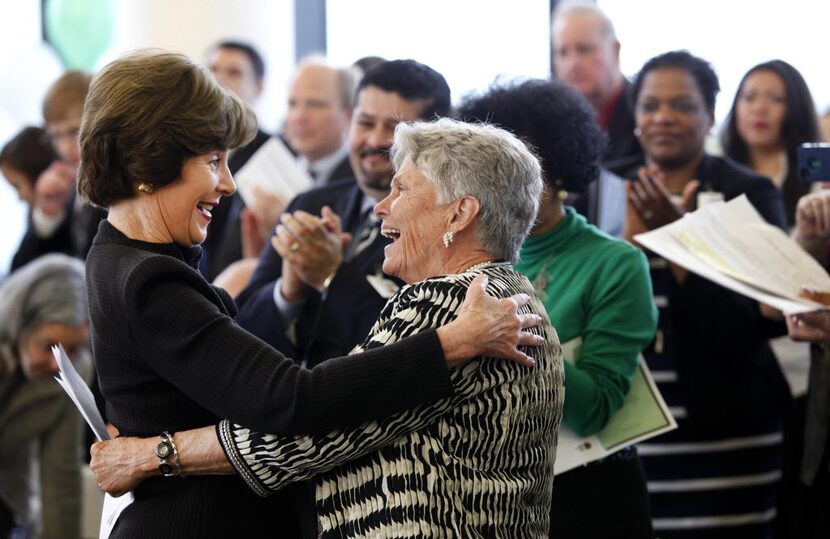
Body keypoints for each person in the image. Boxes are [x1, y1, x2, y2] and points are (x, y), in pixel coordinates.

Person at [79, 50, 543, 538]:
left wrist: (152, 455)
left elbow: (296, 420)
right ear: (152, 160)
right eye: (214, 160)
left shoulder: (116, 256)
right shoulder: (148, 277)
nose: (229, 183)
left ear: (459, 212)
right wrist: (453, 343)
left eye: (402, 190)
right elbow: (292, 402)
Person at [459, 78, 657, 537]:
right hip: (482, 493)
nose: (516, 175)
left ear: (562, 165)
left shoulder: (615, 263)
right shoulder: (460, 256)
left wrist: (509, 333)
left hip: (586, 496)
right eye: (498, 161)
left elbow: (597, 408)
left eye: (531, 159)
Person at [624, 50, 789, 538]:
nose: (663, 118)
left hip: (728, 425)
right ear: (634, 117)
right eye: (650, 105)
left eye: (683, 106)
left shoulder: (748, 192)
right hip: (630, 426)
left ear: (711, 114)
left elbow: (763, 321)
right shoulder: (608, 187)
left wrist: (679, 242)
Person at [235, 59, 452, 366]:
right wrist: (288, 291)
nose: (375, 140)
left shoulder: (441, 225)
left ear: (433, 138)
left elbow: (414, 345)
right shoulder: (309, 204)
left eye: (394, 128)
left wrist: (330, 276)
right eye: (365, 123)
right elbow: (242, 329)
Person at [0, 254, 90, 539]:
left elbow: (60, 478)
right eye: (49, 345)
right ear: (21, 325)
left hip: (8, 501)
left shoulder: (73, 373)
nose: (59, 365)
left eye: (72, 349)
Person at [12, 71, 107, 271]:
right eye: (55, 136)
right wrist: (48, 215)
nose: (64, 148)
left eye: (74, 131)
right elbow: (21, 275)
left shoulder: (118, 188)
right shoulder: (68, 190)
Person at [201, 40, 273, 280]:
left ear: (259, 86)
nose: (219, 79)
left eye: (234, 72)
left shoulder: (272, 154)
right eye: (212, 70)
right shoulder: (192, 150)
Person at [721, 59, 821, 227]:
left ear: (797, 107)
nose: (759, 108)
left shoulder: (816, 176)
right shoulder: (718, 173)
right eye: (749, 97)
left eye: (776, 99)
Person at [283, 57, 355, 185]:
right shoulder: (278, 170)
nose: (299, 117)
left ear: (348, 114)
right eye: (292, 104)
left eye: (315, 104)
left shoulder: (360, 180)